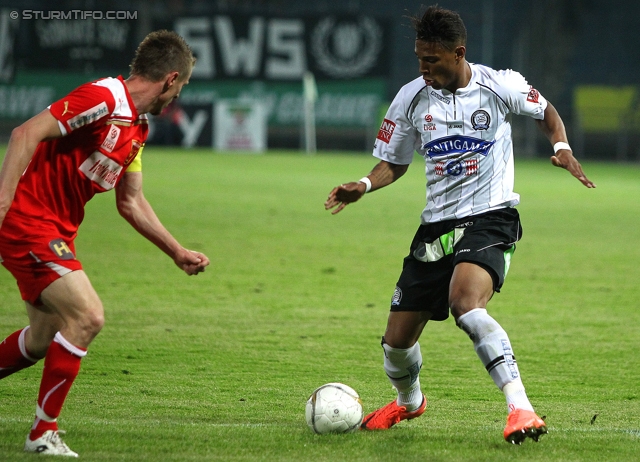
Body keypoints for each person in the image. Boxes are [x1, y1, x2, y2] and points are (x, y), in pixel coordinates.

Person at [325, 5, 595, 444]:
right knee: (395, 345)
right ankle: (409, 402)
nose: (423, 68)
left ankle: (520, 408)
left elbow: (546, 111)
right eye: (418, 59)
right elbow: (393, 162)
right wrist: (363, 184)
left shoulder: (499, 84)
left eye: (431, 60)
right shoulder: (411, 97)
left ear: (458, 53)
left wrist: (561, 146)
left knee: (466, 304)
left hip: (491, 217)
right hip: (435, 229)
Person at [0, 30, 209, 457]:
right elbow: (25, 134)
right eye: (181, 87)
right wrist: (2, 204)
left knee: (42, 339)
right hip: (26, 221)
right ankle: (42, 434)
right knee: (88, 316)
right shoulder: (104, 98)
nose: (178, 98)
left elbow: (130, 202)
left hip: (57, 232)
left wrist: (177, 251)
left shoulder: (138, 127)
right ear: (170, 79)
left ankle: (43, 430)